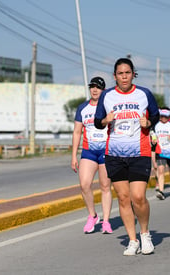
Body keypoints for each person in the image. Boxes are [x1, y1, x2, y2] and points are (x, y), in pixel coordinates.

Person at [94, 58, 159, 256]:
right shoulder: (107, 96)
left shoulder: (144, 94)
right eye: (120, 73)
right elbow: (98, 122)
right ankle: (132, 240)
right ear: (115, 76)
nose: (124, 77)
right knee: (123, 198)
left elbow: (155, 116)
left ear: (133, 74)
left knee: (138, 197)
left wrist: (148, 122)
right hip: (114, 153)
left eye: (128, 73)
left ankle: (145, 234)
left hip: (140, 151)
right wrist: (106, 119)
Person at [71, 76, 113, 234]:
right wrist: (74, 155)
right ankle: (92, 215)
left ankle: (106, 221)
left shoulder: (108, 107)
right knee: (84, 184)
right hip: (89, 151)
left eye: (98, 87)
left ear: (103, 90)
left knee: (105, 186)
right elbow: (77, 132)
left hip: (106, 150)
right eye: (92, 87)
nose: (95, 90)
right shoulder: (82, 108)